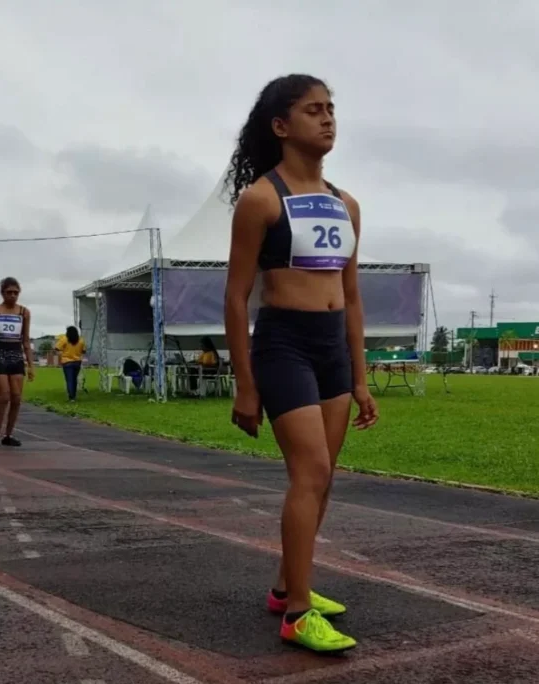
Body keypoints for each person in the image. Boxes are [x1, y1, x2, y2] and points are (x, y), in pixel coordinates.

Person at [223, 74, 379, 653]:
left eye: (332, 108)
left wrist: (362, 378)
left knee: (325, 477)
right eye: (314, 110)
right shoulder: (262, 199)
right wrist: (245, 384)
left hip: (331, 346)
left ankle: (289, 585)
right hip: (284, 343)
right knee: (309, 473)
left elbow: (353, 295)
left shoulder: (347, 205)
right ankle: (296, 615)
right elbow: (236, 297)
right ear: (282, 126)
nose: (328, 118)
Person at [0, 277, 34, 447]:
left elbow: (26, 340)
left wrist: (31, 365)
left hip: (16, 354)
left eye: (16, 293)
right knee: (4, 395)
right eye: (9, 292)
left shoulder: (24, 312)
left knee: (17, 398)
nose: (12, 296)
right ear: (2, 293)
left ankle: (9, 434)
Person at [55, 325, 86, 401]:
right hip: (77, 362)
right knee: (74, 379)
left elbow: (57, 348)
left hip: (67, 362)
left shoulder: (64, 339)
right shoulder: (81, 340)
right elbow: (84, 351)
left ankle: (71, 397)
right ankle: (74, 396)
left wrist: (62, 353)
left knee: (69, 379)